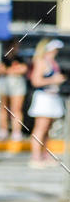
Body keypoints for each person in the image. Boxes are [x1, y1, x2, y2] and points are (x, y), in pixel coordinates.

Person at [27, 38, 66, 168]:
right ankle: (35, 157)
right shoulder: (41, 61)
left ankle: (45, 155)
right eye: (54, 49)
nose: (56, 52)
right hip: (43, 97)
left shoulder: (52, 62)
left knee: (48, 128)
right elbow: (36, 81)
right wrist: (53, 80)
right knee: (40, 128)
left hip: (52, 97)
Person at [0, 38, 28, 141]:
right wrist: (12, 70)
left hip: (17, 84)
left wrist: (8, 70)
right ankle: (3, 130)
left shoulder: (20, 58)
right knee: (4, 108)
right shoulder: (2, 58)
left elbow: (23, 69)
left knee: (16, 109)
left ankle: (16, 132)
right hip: (4, 84)